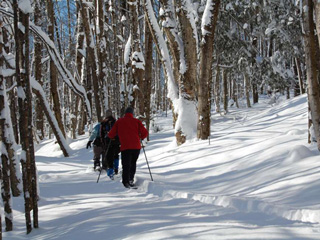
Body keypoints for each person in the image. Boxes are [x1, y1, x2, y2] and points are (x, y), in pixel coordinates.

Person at [108, 107, 148, 188]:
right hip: (136, 147)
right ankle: (131, 179)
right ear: (132, 113)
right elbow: (145, 133)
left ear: (125, 113)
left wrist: (112, 137)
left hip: (125, 147)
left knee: (126, 164)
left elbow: (111, 134)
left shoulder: (119, 121)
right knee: (133, 163)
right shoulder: (136, 121)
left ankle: (125, 182)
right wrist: (141, 137)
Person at [87, 110, 120, 179]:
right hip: (115, 142)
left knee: (97, 155)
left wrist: (90, 140)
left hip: (102, 142)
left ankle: (97, 165)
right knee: (112, 155)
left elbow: (94, 133)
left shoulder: (101, 124)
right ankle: (110, 167)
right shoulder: (116, 123)